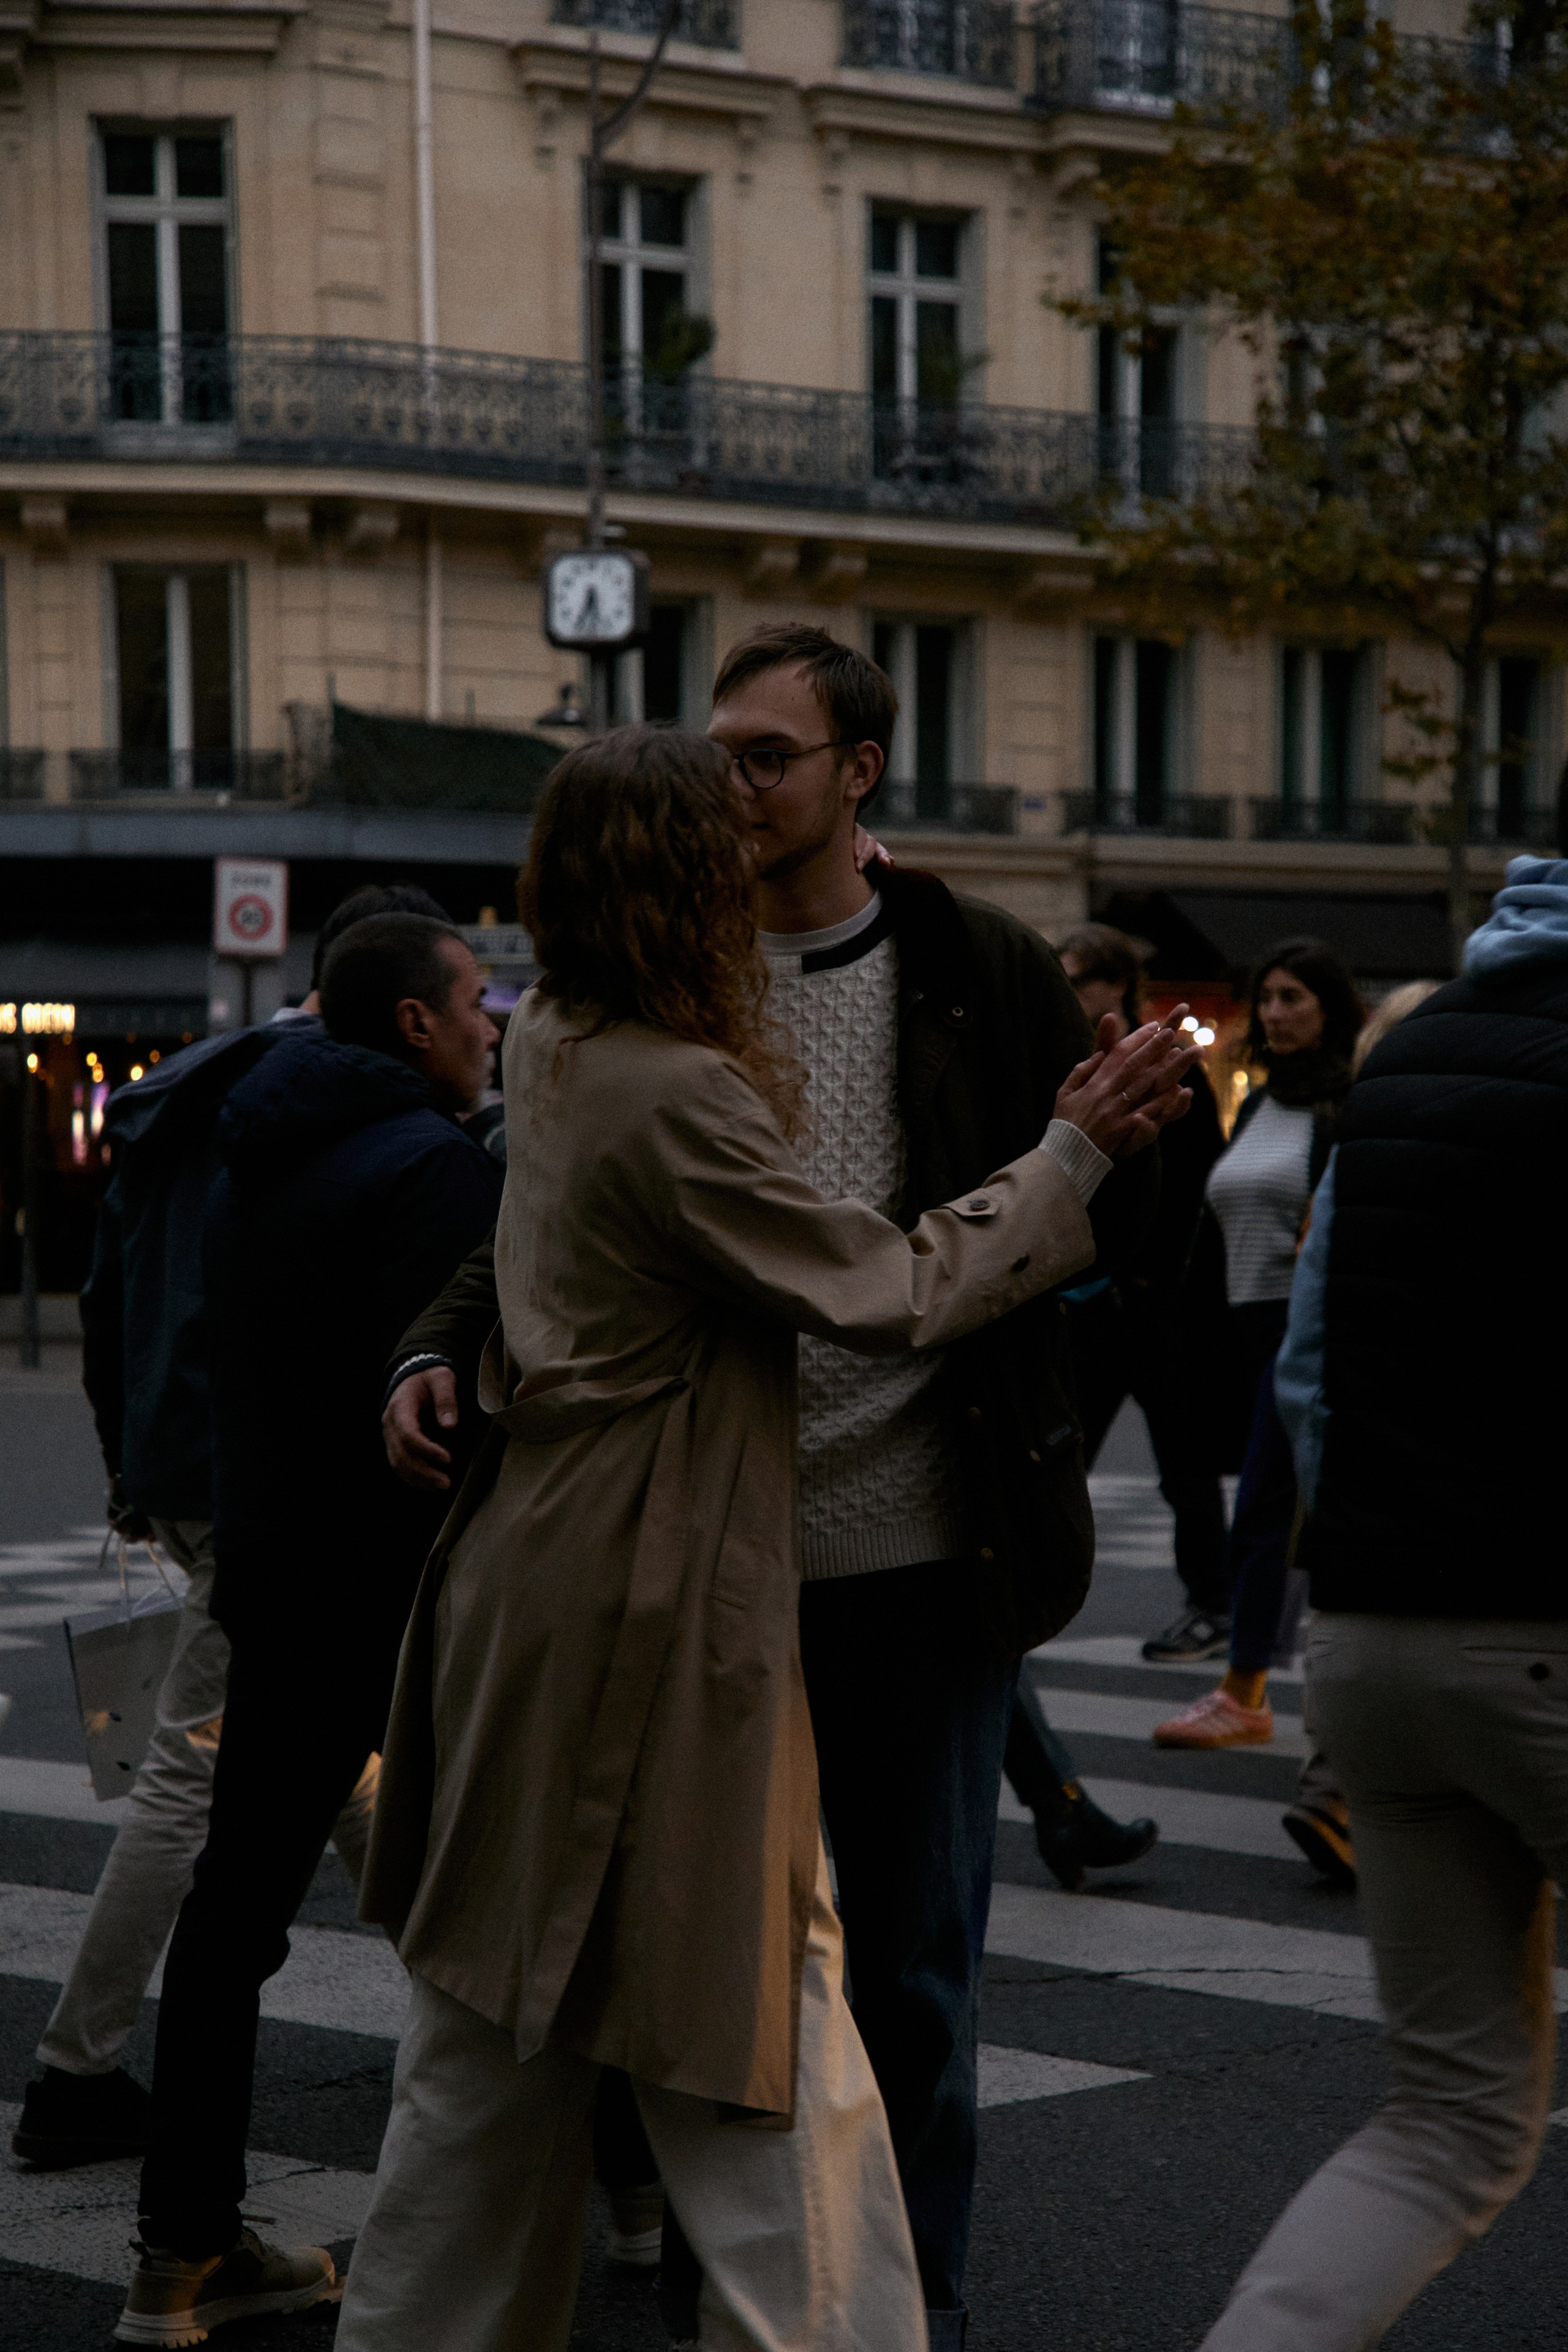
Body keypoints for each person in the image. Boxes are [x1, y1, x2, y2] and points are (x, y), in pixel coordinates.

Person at [336, 724, 1194, 2352]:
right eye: (723, 847)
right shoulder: (674, 1091)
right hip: (645, 1603)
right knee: (764, 2049)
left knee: (489, 2067)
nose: (757, 869)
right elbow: (891, 1290)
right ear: (681, 882)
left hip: (534, 1590)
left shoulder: (562, 1039)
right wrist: (1072, 1147)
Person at [12, 883, 450, 2174]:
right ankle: (73, 2069)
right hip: (253, 1483)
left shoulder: (187, 1089)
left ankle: (473, 2015)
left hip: (180, 1461)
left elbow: (108, 1291)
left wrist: (126, 1465)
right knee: (197, 1775)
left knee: (343, 1763)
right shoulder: (319, 1107)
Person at [116, 915, 504, 2348]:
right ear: (413, 1022)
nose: (492, 1022)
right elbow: (457, 1392)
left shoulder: (250, 1147)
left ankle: (178, 2249)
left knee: (232, 1914)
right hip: (405, 1585)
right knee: (520, 1890)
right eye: (475, 1000)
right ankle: (613, 2202)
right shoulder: (434, 1166)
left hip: (274, 1566)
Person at [1197, 858, 1568, 2350]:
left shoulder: (1406, 1054)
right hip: (1546, 1628)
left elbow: (1307, 1361)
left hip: (1376, 1640)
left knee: (1444, 2120)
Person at [1155, 940, 1361, 1752]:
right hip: (1243, 1327)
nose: (1274, 1013)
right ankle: (1271, 1692)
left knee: (1273, 1512)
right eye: (1266, 998)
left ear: (1328, 1008)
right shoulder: (1262, 1101)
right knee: (1273, 1510)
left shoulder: (1343, 1103)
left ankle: (1251, 1691)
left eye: (1292, 998)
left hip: (1302, 1326)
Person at [1278, 978, 1441, 1889]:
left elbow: (1308, 1338)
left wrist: (1321, 1455)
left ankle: (1334, 1783)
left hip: (1355, 1428)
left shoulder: (1359, 1141)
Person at [1054, 924, 1231, 1663]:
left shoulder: (1169, 1063)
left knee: (1181, 1466)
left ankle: (1212, 1604)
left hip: (1148, 1300)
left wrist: (1156, 1275)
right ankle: (1035, 1592)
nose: (1065, 991)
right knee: (1062, 1460)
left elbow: (1197, 1181)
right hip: (1092, 1296)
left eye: (1075, 978)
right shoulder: (1070, 1064)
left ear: (1113, 985)